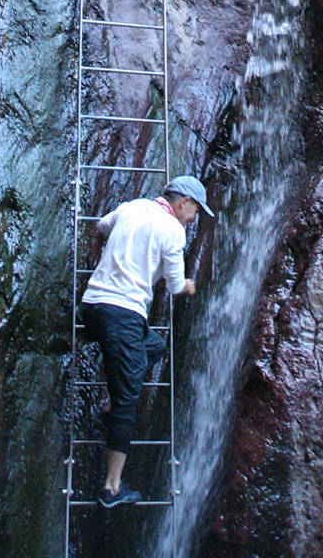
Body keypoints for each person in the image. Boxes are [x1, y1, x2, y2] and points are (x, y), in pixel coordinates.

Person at [80, 174, 214, 508]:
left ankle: (113, 402)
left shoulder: (134, 207)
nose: (193, 218)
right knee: (128, 403)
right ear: (182, 203)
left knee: (153, 347)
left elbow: (101, 226)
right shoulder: (173, 231)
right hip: (123, 313)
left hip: (93, 306)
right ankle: (111, 488)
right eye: (195, 211)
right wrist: (189, 286)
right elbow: (173, 286)